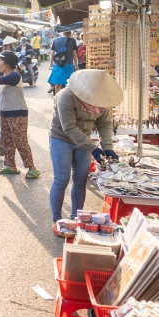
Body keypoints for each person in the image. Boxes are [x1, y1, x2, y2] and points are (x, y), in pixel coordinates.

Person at [48, 70, 122, 229]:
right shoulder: (66, 97)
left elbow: (105, 124)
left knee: (80, 179)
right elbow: (69, 127)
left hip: (84, 140)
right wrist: (93, 148)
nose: (98, 109)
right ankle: (56, 219)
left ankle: (76, 218)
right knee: (62, 179)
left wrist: (108, 147)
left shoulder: (103, 103)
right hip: (61, 138)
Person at [0, 51, 41, 178]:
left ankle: (32, 167)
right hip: (5, 114)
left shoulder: (14, 76)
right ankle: (11, 166)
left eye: (0, 61)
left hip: (18, 114)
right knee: (8, 141)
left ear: (8, 63)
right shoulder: (5, 76)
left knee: (20, 141)